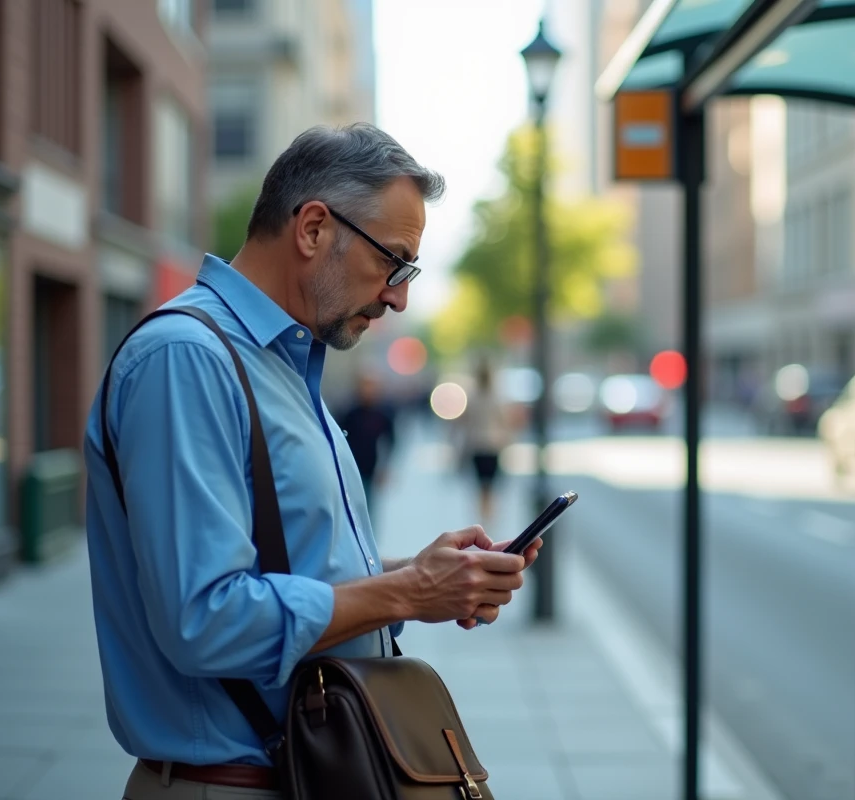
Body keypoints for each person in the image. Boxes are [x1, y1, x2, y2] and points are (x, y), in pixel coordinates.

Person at [82, 123, 542, 800]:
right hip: (228, 783)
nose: (398, 296)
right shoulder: (186, 359)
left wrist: (425, 574)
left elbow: (288, 566)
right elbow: (204, 619)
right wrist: (409, 593)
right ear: (314, 229)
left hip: (296, 775)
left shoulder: (283, 366)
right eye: (394, 262)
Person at [456, 359, 515, 527]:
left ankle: (483, 518)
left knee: (481, 486)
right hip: (492, 446)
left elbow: (464, 422)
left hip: (477, 446)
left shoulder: (472, 397)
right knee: (490, 486)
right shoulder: (496, 397)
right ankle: (488, 518)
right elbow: (504, 422)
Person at [338, 373, 398, 526]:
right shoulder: (350, 413)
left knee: (368, 506)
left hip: (371, 468)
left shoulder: (383, 413)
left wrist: (385, 468)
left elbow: (391, 441)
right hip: (350, 467)